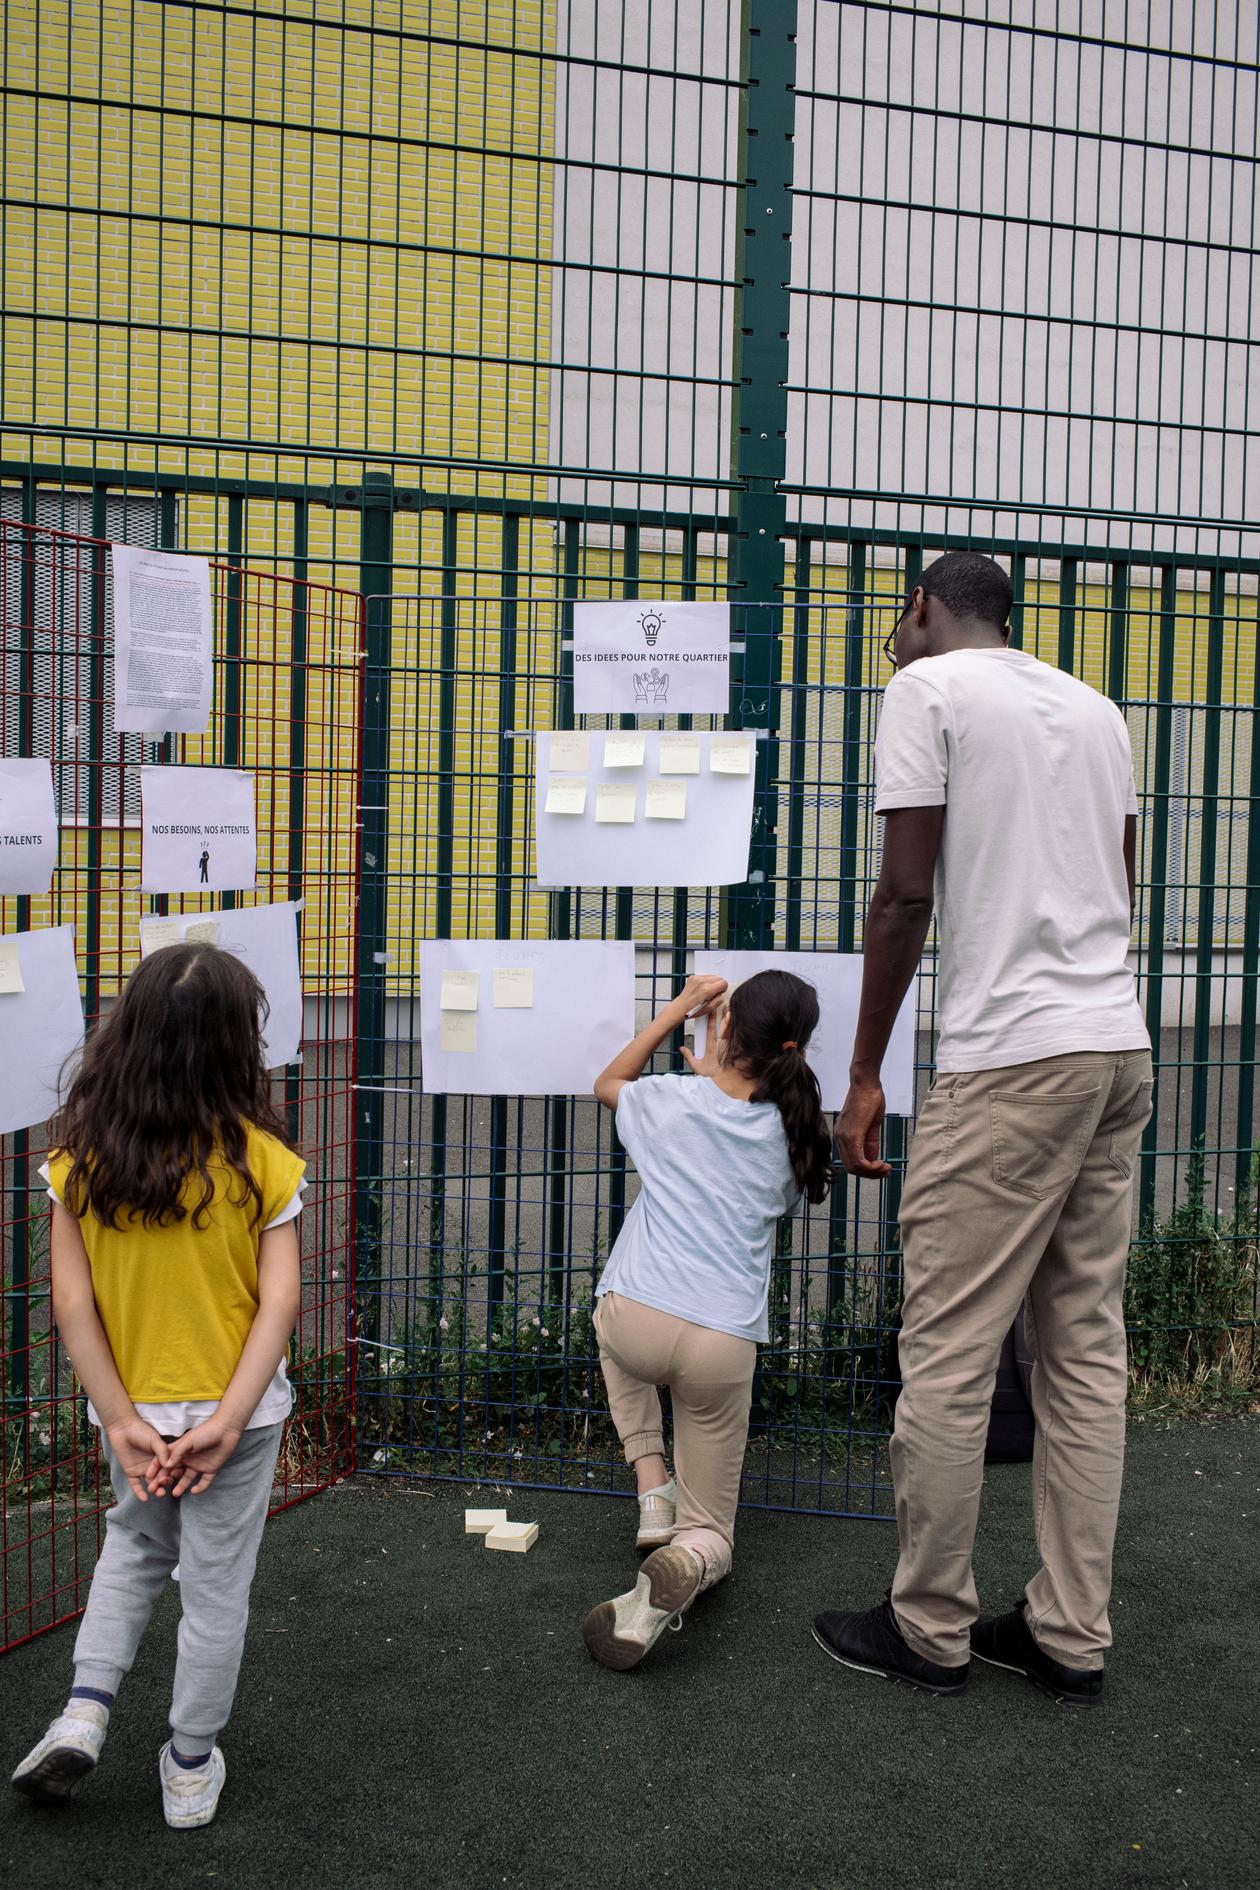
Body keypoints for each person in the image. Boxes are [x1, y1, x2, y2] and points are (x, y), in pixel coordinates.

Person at [813, 550, 1152, 1706]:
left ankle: (929, 1628)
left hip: (1007, 1062)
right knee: (1085, 1354)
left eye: (897, 618)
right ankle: (1068, 1632)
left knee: (950, 1353)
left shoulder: (929, 691)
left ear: (921, 610)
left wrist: (862, 1073)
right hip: (1117, 1048)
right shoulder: (1098, 711)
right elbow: (1117, 880)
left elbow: (905, 895)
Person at [10, 943, 305, 1826]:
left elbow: (70, 1304)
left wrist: (119, 1418)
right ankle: (186, 1767)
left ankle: (83, 1712)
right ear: (233, 1046)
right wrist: (230, 1417)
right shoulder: (264, 1162)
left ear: (126, 1038)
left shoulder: (80, 1165)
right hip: (237, 1420)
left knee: (133, 1547)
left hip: (132, 1408)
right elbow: (282, 1301)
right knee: (215, 1586)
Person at [581, 969, 832, 1670]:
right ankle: (690, 1552)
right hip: (722, 1342)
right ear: (797, 1049)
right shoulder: (794, 1132)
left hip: (636, 1318)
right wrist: (719, 1075)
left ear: (723, 1029)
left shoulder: (667, 1101)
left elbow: (608, 1081)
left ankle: (650, 1485)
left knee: (607, 1317)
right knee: (713, 1526)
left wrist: (679, 1010)